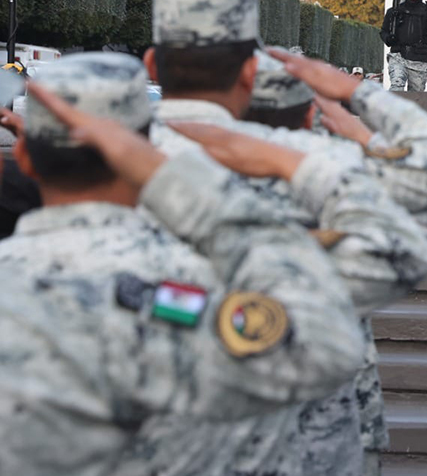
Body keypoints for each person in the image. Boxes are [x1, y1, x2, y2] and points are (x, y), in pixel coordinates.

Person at [143, 0, 427, 476]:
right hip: (304, 430)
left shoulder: (93, 159)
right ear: (248, 75)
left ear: (153, 66)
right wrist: (358, 109)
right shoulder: (319, 163)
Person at [0, 56, 368, 475]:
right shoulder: (198, 284)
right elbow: (328, 349)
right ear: (143, 150)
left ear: (25, 157)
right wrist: (197, 196)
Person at [383, 0, 427, 92]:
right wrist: (389, 38)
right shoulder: (395, 11)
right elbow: (383, 31)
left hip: (419, 58)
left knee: (416, 93)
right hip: (398, 55)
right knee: (397, 86)